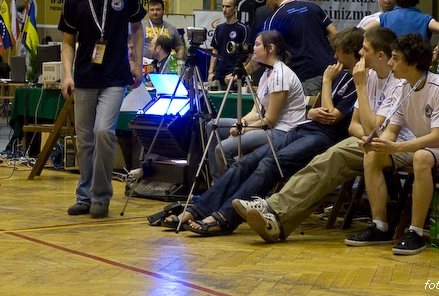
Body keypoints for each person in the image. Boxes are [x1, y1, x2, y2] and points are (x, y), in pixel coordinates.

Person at [162, 27, 362, 236]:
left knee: (268, 164)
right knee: (245, 162)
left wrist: (326, 81)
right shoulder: (341, 74)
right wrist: (312, 112)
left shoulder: (350, 80)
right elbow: (313, 112)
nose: (334, 55)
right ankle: (198, 210)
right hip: (304, 127)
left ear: (351, 51)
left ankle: (225, 217)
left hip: (320, 136)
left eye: (338, 50)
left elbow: (330, 116)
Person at [235, 27, 408, 243]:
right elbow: (354, 126)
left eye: (364, 49)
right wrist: (367, 131)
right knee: (322, 162)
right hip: (365, 140)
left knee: (329, 158)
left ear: (380, 55)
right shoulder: (370, 76)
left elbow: (373, 129)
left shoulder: (390, 82)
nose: (360, 54)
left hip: (394, 145)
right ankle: (274, 216)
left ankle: (273, 210)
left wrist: (361, 88)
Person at [344, 33, 439, 255]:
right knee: (373, 154)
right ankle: (380, 226)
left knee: (422, 157)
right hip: (425, 147)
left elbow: (438, 138)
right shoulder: (403, 87)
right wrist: (376, 143)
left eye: (395, 58)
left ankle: (415, 232)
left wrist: (396, 148)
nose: (390, 63)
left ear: (413, 63)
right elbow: (392, 132)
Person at [59, 0, 145, 219]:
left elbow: (137, 28)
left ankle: (101, 196)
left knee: (103, 132)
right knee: (85, 140)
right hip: (84, 78)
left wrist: (137, 62)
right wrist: (67, 75)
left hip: (115, 77)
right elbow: (67, 42)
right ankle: (84, 196)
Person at [205, 30, 307, 181]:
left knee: (222, 149)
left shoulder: (280, 75)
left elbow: (270, 121)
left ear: (270, 48)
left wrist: (243, 129)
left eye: (258, 44)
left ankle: (231, 188)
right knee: (212, 125)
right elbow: (255, 112)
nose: (253, 48)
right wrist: (242, 122)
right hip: (269, 126)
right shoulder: (266, 73)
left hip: (283, 131)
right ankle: (218, 183)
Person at [260, 0, 337, 95]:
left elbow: (265, 51)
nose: (266, 4)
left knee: (309, 108)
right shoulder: (313, 7)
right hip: (332, 71)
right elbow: (334, 34)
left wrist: (246, 70)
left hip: (307, 77)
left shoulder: (274, 19)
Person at [363, 0, 439, 62]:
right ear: (417, 0)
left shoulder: (384, 17)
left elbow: (362, 31)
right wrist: (436, 55)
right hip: (417, 66)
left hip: (391, 65)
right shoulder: (425, 19)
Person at [208, 0, 250, 88]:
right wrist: (210, 72)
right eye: (223, 6)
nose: (224, 9)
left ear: (235, 8)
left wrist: (237, 74)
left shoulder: (242, 28)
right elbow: (215, 50)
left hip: (233, 74)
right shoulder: (219, 28)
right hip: (219, 73)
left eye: (228, 6)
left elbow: (247, 54)